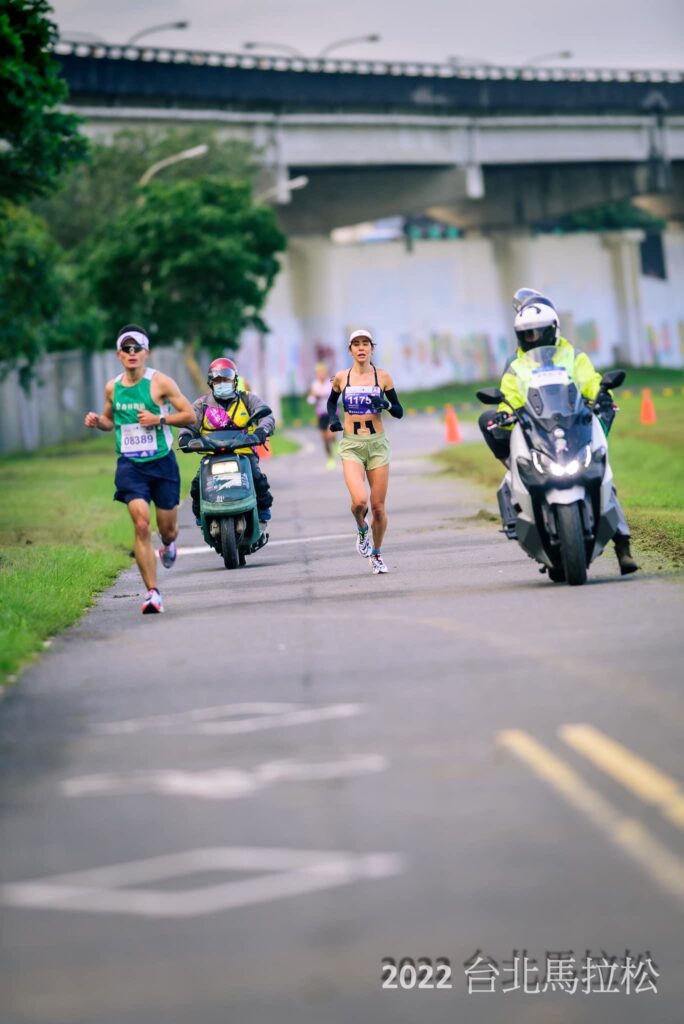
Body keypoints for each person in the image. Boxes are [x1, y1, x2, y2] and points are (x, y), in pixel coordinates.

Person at [478, 290, 638, 575]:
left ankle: (622, 543)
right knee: (522, 465)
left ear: (553, 330)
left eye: (539, 333)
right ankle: (529, 517)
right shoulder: (516, 367)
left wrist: (600, 394)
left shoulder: (574, 356)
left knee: (602, 471)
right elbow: (509, 395)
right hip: (538, 430)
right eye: (527, 335)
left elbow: (590, 381)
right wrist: (504, 410)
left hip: (574, 426)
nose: (534, 339)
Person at [84, 325, 196, 614]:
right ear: (118, 354)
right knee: (141, 524)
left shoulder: (160, 383)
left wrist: (159, 419)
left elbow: (190, 416)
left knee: (167, 529)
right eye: (126, 348)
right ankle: (153, 594)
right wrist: (98, 421)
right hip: (130, 464)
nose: (132, 353)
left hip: (161, 463)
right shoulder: (113, 387)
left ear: (146, 352)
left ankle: (168, 545)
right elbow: (111, 422)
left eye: (137, 348)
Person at [327, 330, 404, 574]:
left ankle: (377, 553)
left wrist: (387, 405)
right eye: (356, 344)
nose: (361, 348)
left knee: (378, 507)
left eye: (366, 344)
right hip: (352, 446)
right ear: (350, 350)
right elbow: (331, 402)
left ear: (372, 349)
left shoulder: (383, 377)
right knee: (359, 501)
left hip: (377, 446)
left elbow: (399, 411)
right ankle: (362, 529)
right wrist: (333, 419)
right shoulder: (342, 377)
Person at [183, 357, 275, 534]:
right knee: (197, 485)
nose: (222, 383)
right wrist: (186, 437)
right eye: (218, 380)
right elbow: (189, 423)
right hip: (212, 454)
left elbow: (267, 416)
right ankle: (201, 515)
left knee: (257, 478)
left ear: (234, 381)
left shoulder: (247, 399)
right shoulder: (202, 404)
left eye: (226, 379)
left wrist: (262, 430)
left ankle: (263, 510)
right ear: (211, 382)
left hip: (243, 453)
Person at [307, 361, 336, 469]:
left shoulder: (330, 383)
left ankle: (335, 441)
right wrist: (314, 396)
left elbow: (335, 396)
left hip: (331, 412)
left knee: (330, 434)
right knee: (324, 439)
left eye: (322, 372)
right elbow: (310, 399)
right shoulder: (315, 385)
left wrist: (322, 395)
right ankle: (330, 458)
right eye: (319, 372)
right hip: (321, 414)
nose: (321, 374)